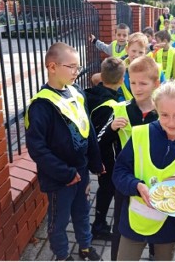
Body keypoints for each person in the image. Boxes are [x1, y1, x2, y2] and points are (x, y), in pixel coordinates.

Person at [25, 42, 104, 261]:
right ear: (52, 67)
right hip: (61, 177)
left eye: (77, 67)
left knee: (82, 212)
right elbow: (37, 149)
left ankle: (85, 247)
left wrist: (95, 162)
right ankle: (61, 254)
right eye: (71, 67)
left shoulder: (76, 92)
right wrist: (66, 173)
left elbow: (88, 129)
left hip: (81, 170)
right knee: (58, 221)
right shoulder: (41, 105)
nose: (76, 72)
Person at [113, 81, 175, 261]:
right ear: (156, 111)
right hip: (134, 221)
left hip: (167, 225)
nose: (171, 122)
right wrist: (136, 185)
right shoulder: (140, 134)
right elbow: (119, 171)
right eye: (164, 115)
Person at [96, 56, 160, 260]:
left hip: (156, 182)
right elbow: (98, 143)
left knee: (156, 225)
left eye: (143, 83)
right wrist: (111, 129)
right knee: (121, 227)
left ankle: (153, 254)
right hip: (124, 182)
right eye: (133, 82)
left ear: (156, 83)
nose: (137, 88)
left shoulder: (163, 113)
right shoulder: (119, 109)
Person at [84, 57, 125, 241]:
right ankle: (99, 225)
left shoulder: (92, 92)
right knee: (106, 188)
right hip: (106, 156)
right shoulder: (111, 106)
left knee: (105, 188)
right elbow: (102, 136)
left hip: (92, 151)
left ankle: (99, 223)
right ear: (122, 80)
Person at [118, 32, 166, 101]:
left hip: (152, 109)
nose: (137, 55)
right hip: (129, 110)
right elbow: (119, 93)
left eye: (140, 52)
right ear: (127, 50)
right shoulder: (120, 70)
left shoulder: (156, 69)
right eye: (133, 51)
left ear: (145, 52)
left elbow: (163, 89)